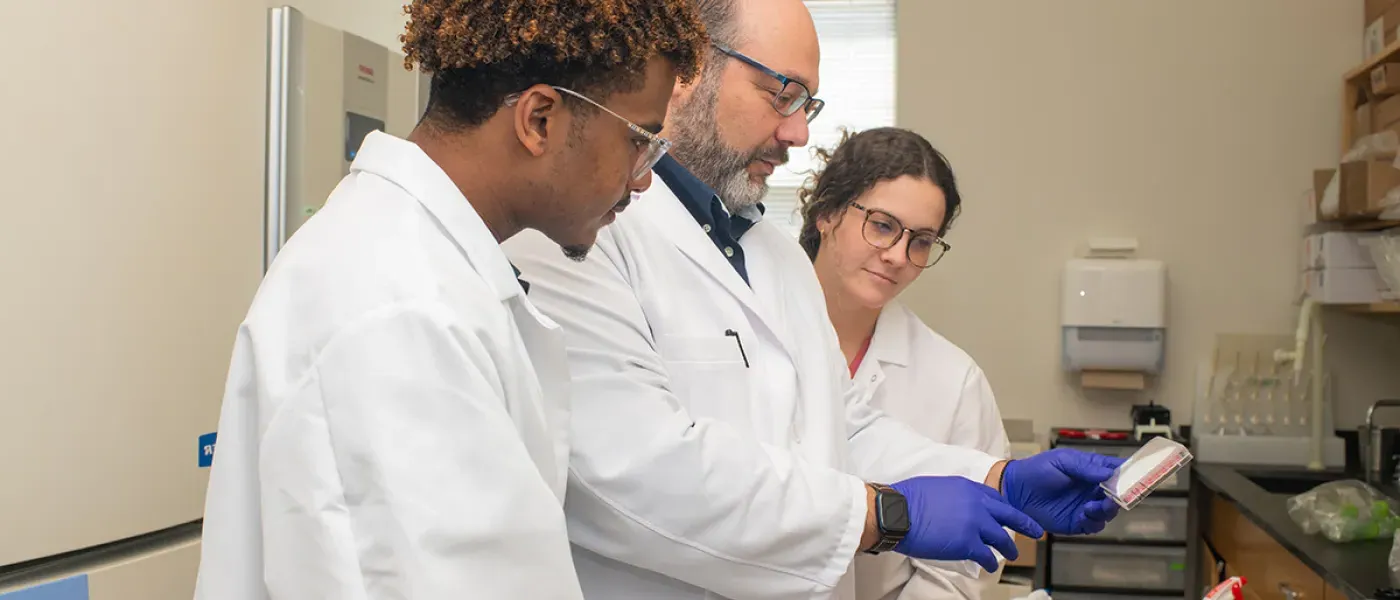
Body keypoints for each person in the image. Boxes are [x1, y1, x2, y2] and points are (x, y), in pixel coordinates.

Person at [502, 0, 1123, 599]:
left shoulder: (774, 257)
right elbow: (627, 472)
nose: (798, 133)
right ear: (689, 68)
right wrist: (883, 514)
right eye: (782, 94)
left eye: (807, 105)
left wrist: (996, 479)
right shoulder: (580, 228)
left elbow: (838, 425)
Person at [192, 1, 707, 598]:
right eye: (639, 141)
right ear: (540, 119)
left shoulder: (420, 266)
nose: (643, 177)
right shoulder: (401, 306)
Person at [800, 127, 1012, 600]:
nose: (898, 255)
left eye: (921, 241)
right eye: (881, 224)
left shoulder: (954, 380)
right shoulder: (748, 331)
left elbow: (962, 567)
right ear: (828, 212)